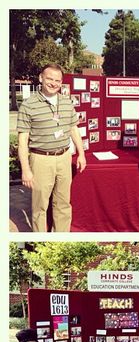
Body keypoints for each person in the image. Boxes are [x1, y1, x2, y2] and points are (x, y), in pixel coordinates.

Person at [17, 63, 87, 232]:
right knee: (40, 206)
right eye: (49, 78)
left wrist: (81, 153)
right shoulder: (29, 105)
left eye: (57, 80)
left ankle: (61, 240)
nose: (53, 83)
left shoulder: (66, 102)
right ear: (41, 78)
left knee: (63, 203)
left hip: (64, 157)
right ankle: (40, 243)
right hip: (41, 159)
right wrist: (25, 169)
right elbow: (22, 141)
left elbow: (73, 129)